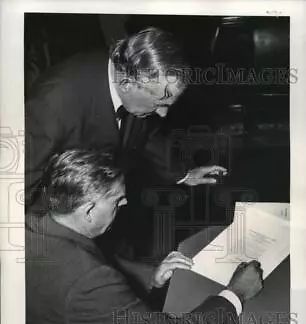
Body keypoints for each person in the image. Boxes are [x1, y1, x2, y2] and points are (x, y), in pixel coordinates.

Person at [26, 149, 263, 324]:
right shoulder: (86, 279)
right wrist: (236, 294)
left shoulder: (31, 226)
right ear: (88, 211)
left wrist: (151, 276)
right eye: (117, 200)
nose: (126, 203)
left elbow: (99, 262)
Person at [25, 26, 227, 209]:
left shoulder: (133, 85)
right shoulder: (51, 106)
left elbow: (145, 133)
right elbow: (19, 186)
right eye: (159, 103)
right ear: (127, 84)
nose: (163, 114)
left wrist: (183, 175)